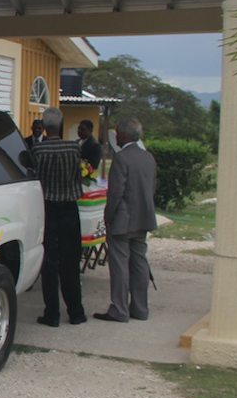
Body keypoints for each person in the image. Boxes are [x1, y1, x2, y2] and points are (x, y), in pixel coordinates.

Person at [94, 118, 157, 323]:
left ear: (122, 136)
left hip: (123, 220)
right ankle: (140, 308)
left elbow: (116, 193)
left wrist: (108, 216)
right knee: (139, 263)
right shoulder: (148, 157)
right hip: (143, 218)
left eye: (117, 134)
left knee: (120, 265)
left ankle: (119, 309)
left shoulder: (121, 158)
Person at [32, 108, 86, 327]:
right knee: (70, 260)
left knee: (49, 262)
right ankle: (76, 312)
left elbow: (35, 178)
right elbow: (77, 176)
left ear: (44, 127)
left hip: (47, 208)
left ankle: (52, 314)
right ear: (61, 124)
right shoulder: (73, 148)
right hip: (69, 207)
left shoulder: (37, 149)